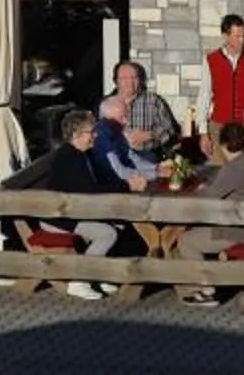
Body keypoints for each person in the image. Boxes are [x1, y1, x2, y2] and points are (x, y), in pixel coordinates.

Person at [37, 107, 145, 300]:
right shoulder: (68, 158)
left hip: (74, 211)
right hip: (58, 218)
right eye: (91, 132)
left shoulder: (82, 154)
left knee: (118, 223)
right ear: (77, 134)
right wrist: (127, 187)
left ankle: (98, 274)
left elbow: (97, 187)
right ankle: (80, 280)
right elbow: (90, 192)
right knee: (107, 232)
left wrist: (125, 184)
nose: (95, 136)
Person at [175, 120, 244, 300]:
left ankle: (203, 289)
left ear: (223, 144)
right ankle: (198, 283)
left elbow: (209, 198)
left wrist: (200, 190)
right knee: (193, 234)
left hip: (239, 232)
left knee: (186, 241)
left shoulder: (234, 168)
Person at [205, 13, 244, 131]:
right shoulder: (211, 59)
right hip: (220, 127)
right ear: (225, 36)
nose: (242, 40)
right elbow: (204, 95)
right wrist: (202, 130)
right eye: (237, 36)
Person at [111, 60, 178, 157]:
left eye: (134, 77)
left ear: (140, 80)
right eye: (124, 78)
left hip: (148, 156)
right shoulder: (107, 104)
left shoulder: (154, 101)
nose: (129, 82)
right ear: (116, 81)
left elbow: (171, 131)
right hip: (117, 157)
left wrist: (150, 135)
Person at [93, 91, 158, 186]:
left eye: (126, 116)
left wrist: (155, 168)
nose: (126, 121)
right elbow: (119, 172)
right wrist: (155, 174)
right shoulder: (101, 136)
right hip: (113, 189)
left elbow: (133, 159)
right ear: (106, 119)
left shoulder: (116, 130)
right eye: (121, 117)